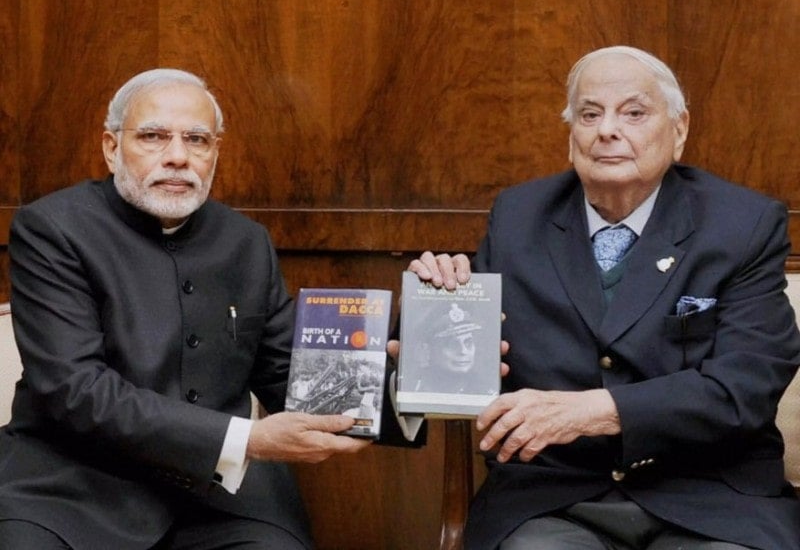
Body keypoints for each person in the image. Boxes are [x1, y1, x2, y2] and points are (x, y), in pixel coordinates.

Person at [410, 46, 800, 549]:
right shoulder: (518, 217)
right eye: (590, 114)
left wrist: (597, 411)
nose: (608, 130)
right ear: (571, 135)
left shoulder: (742, 225)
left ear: (678, 130)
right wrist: (430, 315)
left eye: (634, 113)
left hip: (708, 498)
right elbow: (460, 356)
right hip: (554, 500)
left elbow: (745, 387)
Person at [0, 69, 379, 550]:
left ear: (215, 152)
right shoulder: (52, 230)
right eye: (154, 137)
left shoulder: (247, 243)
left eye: (196, 140)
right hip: (72, 490)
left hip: (221, 499)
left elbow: (294, 378)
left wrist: (406, 377)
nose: (177, 157)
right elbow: (77, 391)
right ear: (111, 147)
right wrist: (249, 440)